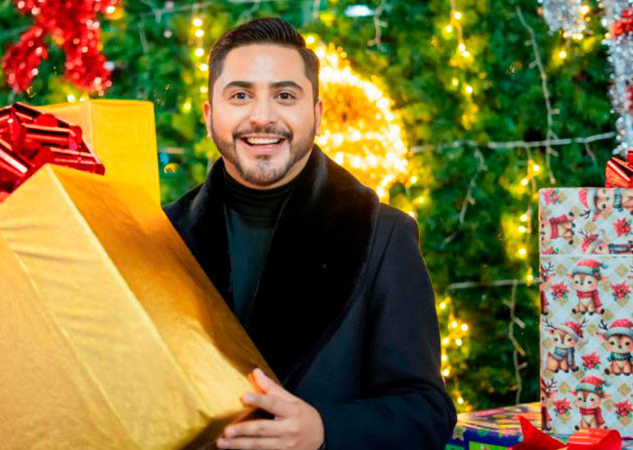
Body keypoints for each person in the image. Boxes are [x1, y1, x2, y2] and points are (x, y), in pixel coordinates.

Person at [164, 17, 456, 450]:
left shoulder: (383, 235)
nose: (262, 117)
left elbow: (427, 412)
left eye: (284, 95)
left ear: (316, 113)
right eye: (240, 95)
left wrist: (324, 430)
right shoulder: (163, 235)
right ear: (210, 116)